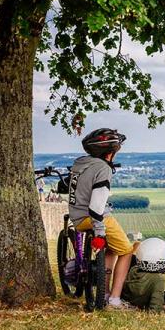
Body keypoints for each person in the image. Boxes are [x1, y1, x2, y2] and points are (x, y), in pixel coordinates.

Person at [68, 128, 133, 309]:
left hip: (77, 218)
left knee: (112, 248)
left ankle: (103, 293)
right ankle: (114, 299)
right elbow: (97, 207)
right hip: (94, 217)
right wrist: (99, 231)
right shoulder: (103, 169)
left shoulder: (79, 163)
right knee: (127, 251)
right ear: (111, 152)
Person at [122, 238, 165, 312]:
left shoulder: (133, 270)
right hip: (142, 304)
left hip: (128, 300)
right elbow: (155, 309)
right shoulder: (158, 279)